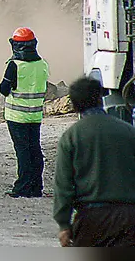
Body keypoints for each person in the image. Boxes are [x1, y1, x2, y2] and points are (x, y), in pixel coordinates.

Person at [53, 77, 135, 247]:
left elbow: (64, 185)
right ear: (100, 98)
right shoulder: (128, 131)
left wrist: (63, 224)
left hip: (91, 219)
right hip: (129, 217)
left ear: (74, 105)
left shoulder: (72, 136)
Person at [0, 27, 49, 198]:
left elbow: (4, 89)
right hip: (35, 115)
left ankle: (22, 187)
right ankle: (36, 187)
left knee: (23, 151)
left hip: (16, 116)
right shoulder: (43, 64)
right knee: (35, 149)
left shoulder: (14, 65)